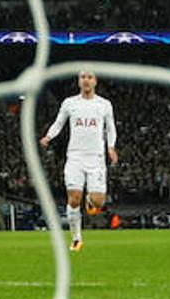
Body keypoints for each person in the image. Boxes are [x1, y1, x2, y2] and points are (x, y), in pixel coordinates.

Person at [40, 67, 118, 253]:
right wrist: (48, 137)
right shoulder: (69, 103)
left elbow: (110, 128)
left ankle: (91, 201)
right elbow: (59, 123)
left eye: (89, 77)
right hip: (75, 156)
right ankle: (76, 238)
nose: (86, 80)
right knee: (74, 199)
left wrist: (111, 147)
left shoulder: (104, 105)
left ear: (95, 81)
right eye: (83, 77)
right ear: (79, 81)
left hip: (96, 157)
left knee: (99, 202)